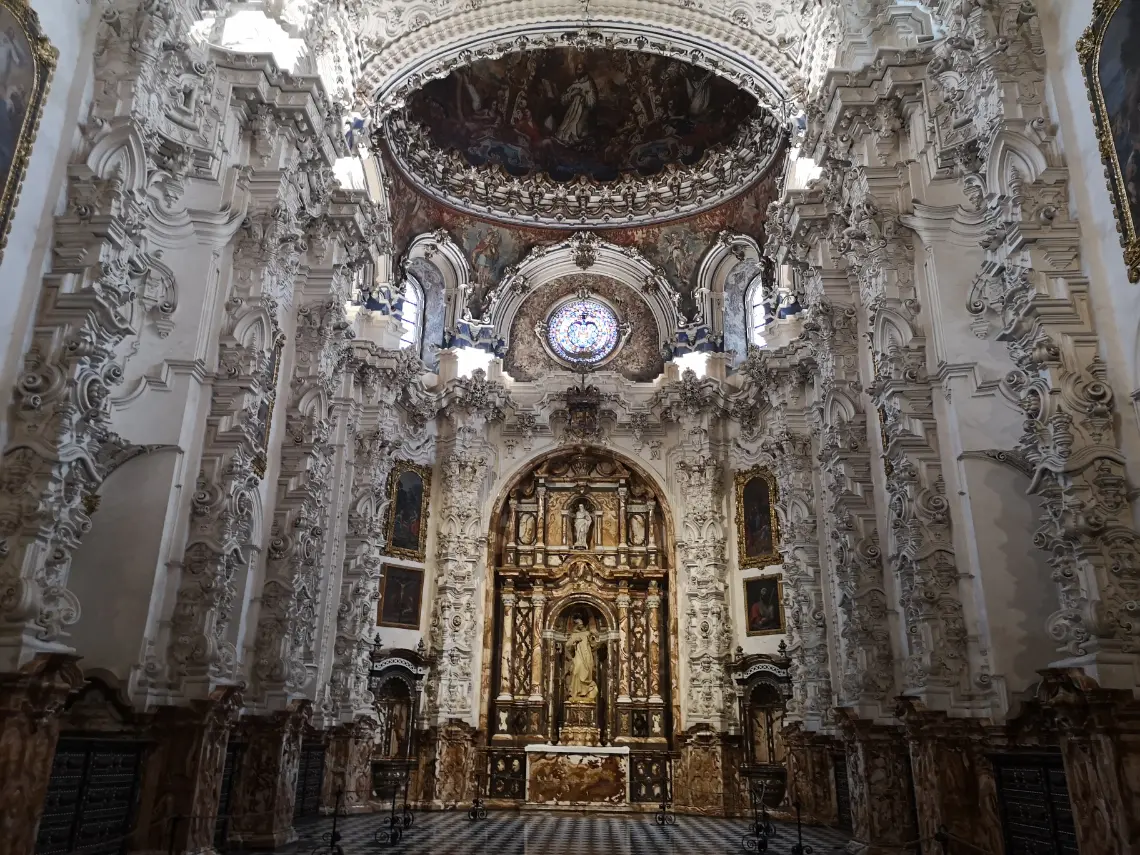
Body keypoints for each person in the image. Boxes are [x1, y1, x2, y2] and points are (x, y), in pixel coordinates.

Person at [565, 615, 598, 702]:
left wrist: (593, 637)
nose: (580, 626)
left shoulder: (587, 634)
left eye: (581, 624)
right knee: (576, 671)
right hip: (578, 656)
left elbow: (594, 646)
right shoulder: (574, 635)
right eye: (578, 624)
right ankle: (576, 693)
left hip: (587, 657)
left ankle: (585, 693)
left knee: (587, 673)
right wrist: (574, 641)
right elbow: (567, 645)